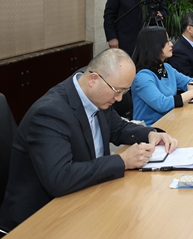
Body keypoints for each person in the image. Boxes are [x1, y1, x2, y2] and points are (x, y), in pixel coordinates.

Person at [0, 49, 179, 232]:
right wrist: (123, 161)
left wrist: (150, 134)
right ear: (93, 79)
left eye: (125, 92)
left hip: (88, 196)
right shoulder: (49, 113)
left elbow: (118, 128)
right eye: (117, 91)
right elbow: (60, 178)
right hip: (39, 220)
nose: (119, 99)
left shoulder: (96, 95)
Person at [131, 26, 193, 126]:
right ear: (154, 46)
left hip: (172, 119)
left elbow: (188, 80)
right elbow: (161, 104)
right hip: (151, 128)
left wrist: (192, 85)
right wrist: (192, 93)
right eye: (166, 41)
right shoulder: (142, 77)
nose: (171, 44)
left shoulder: (167, 67)